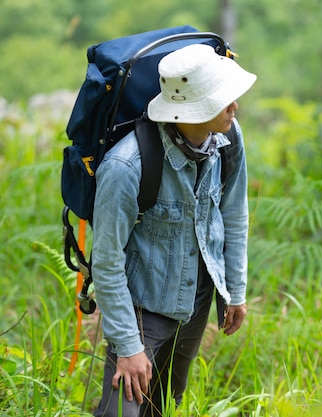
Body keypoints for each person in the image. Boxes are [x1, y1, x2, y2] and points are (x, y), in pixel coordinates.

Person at [91, 43, 257, 416]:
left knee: (163, 404)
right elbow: (105, 261)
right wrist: (129, 346)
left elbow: (234, 212)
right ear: (190, 109)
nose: (235, 106)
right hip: (142, 308)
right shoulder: (126, 166)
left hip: (197, 298)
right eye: (222, 99)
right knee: (122, 411)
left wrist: (235, 290)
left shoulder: (229, 137)